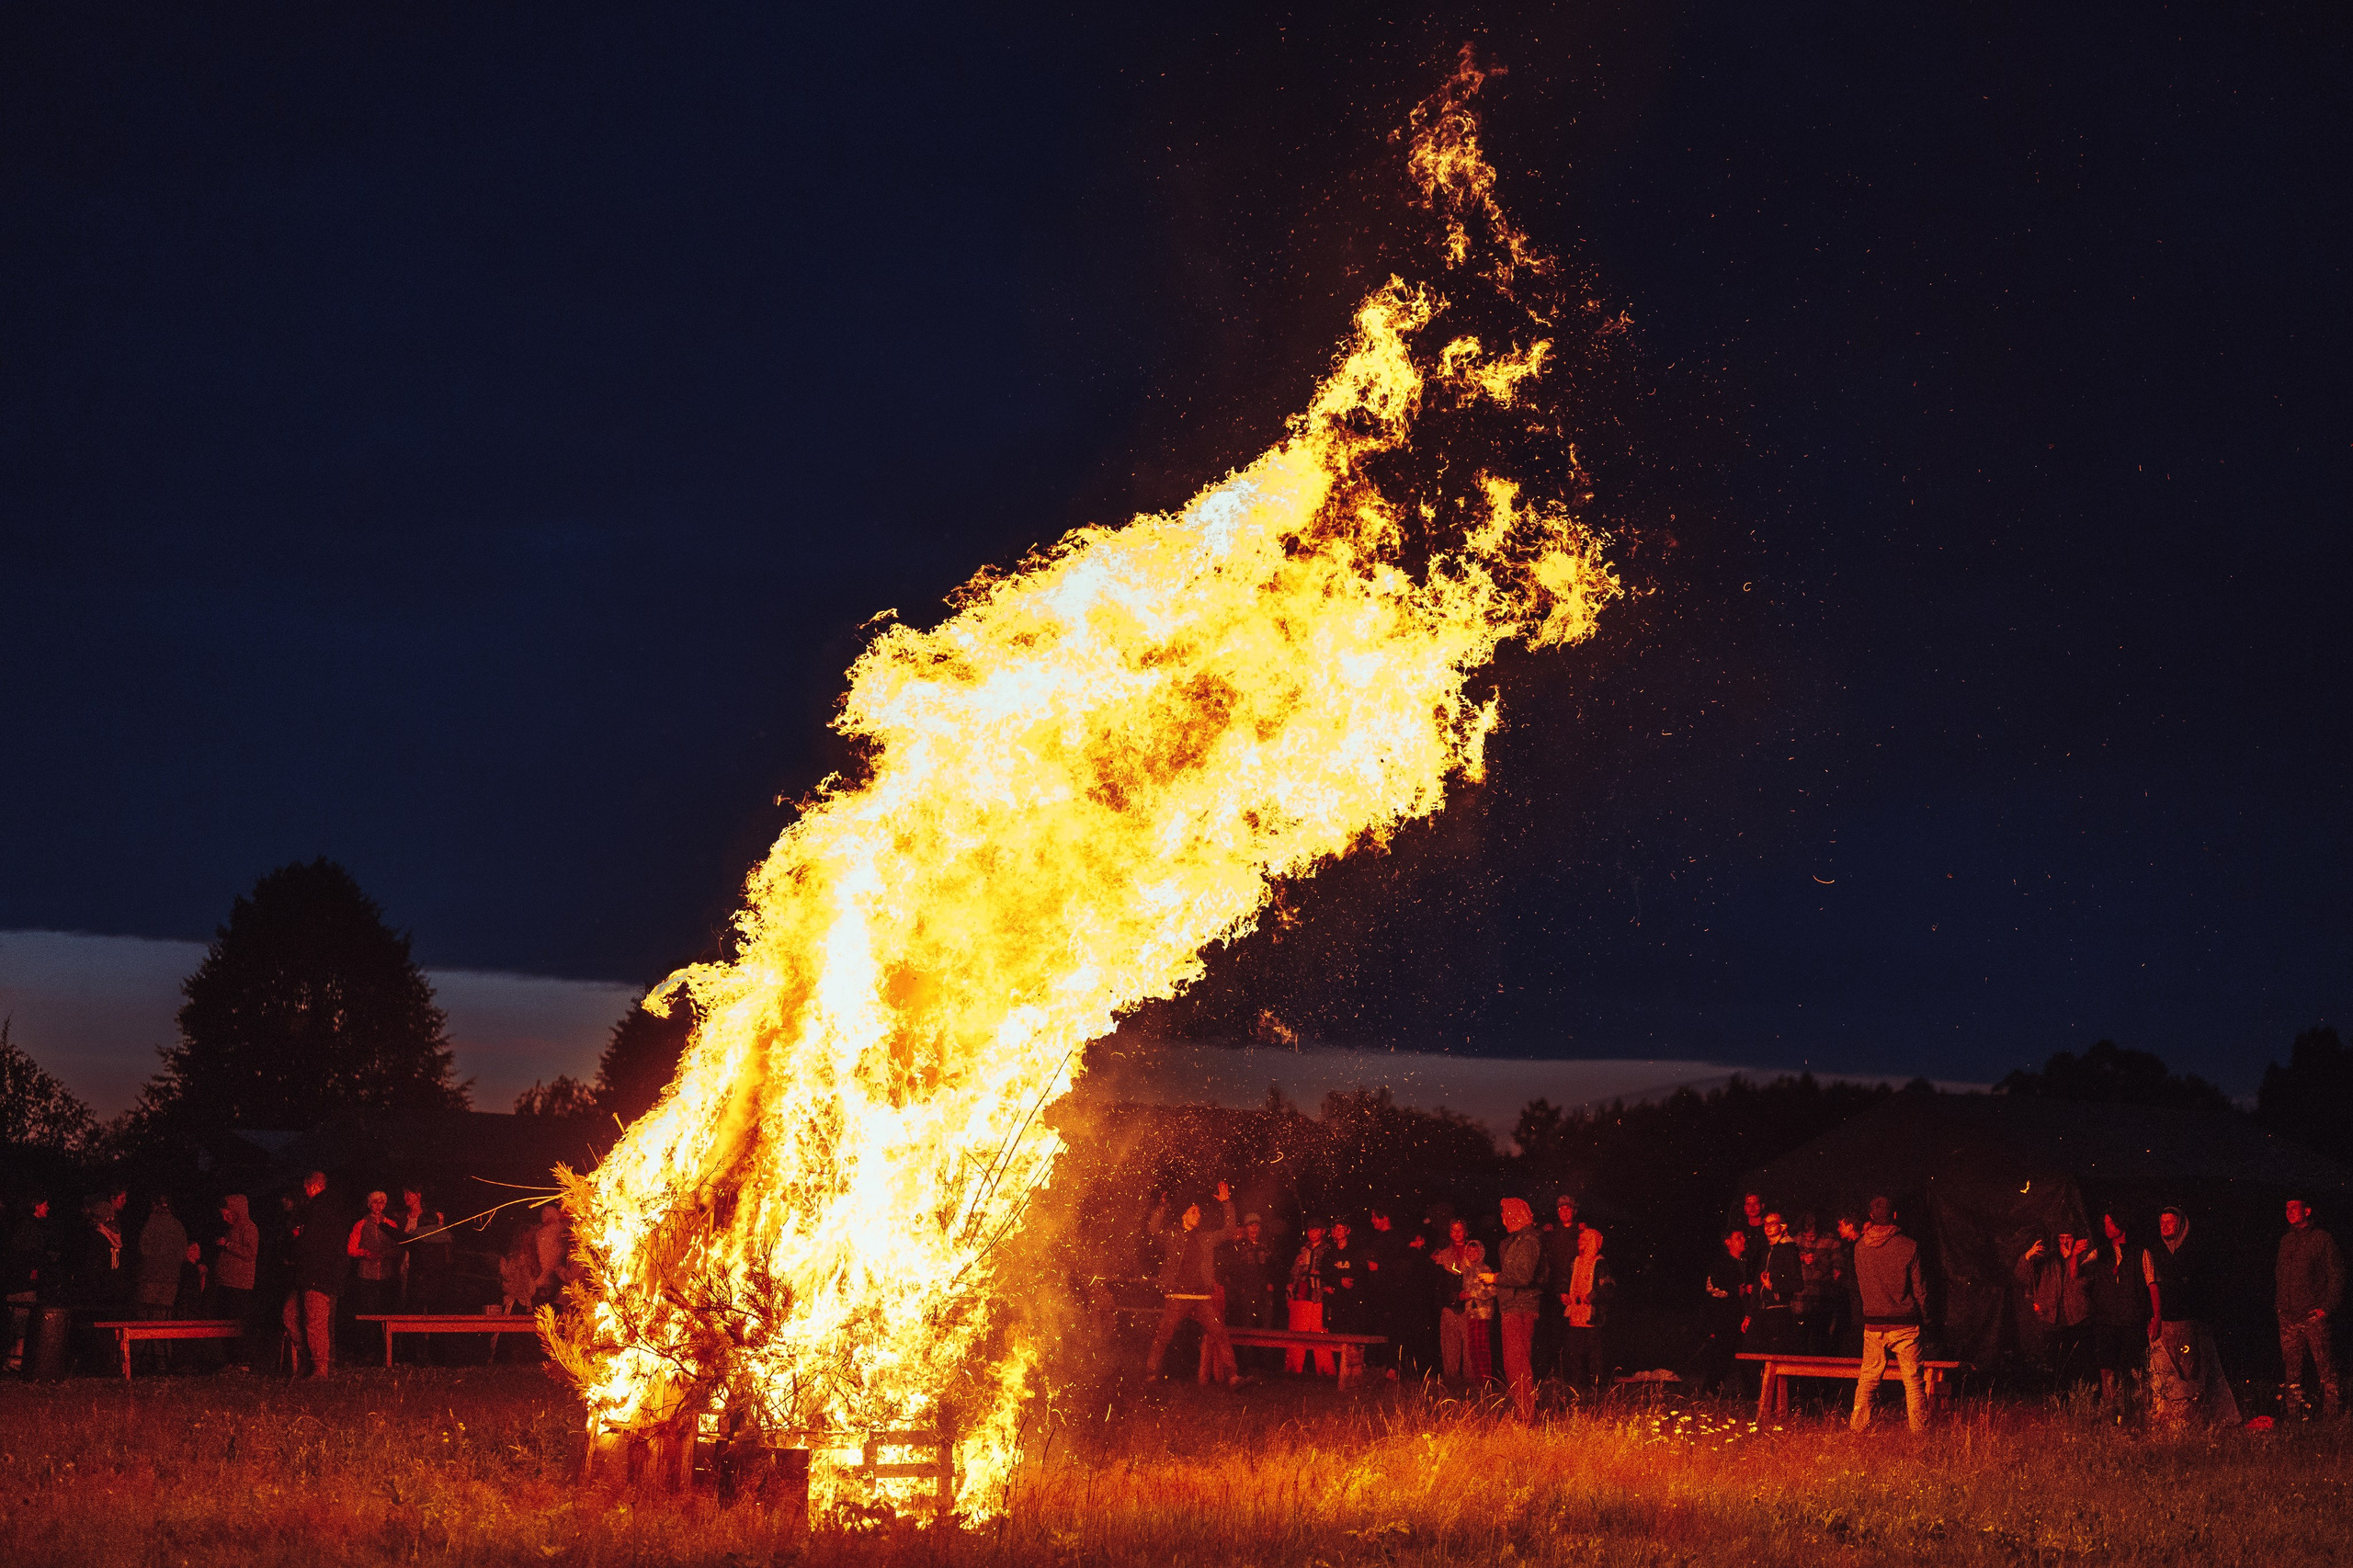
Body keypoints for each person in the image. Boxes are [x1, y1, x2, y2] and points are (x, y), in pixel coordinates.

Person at [2144, 1205, 2237, 1425]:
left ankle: (2194, 1418)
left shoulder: (2195, 1250)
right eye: (2162, 1222)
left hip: (2189, 1322)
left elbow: (2207, 1286)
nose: (2165, 1226)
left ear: (2181, 1225)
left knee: (2191, 1372)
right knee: (2165, 1373)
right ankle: (2168, 1418)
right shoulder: (2155, 1251)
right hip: (2165, 1322)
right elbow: (2151, 1286)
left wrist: (2204, 1318)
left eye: (2170, 1222)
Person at [1143, 1182, 1243, 1386]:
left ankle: (1233, 1376)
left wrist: (1227, 1204)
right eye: (1193, 1211)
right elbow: (1153, 1230)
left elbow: (1228, 1230)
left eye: (1199, 1212)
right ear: (1183, 1216)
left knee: (1220, 1332)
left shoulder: (1206, 1239)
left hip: (1201, 1298)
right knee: (1163, 1335)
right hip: (1177, 1297)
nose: (1198, 1214)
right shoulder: (1173, 1236)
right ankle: (1151, 1374)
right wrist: (1162, 1207)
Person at [1849, 1195, 1928, 1434]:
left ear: (1871, 1217)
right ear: (1895, 1216)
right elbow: (1920, 1289)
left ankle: (1857, 1431)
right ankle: (1919, 1433)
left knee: (1868, 1379)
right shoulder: (1909, 1246)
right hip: (1904, 1323)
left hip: (1873, 1323)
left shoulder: (1860, 1247)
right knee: (1913, 1381)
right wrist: (1925, 1318)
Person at [2276, 1197, 2344, 1419]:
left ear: (2307, 1210)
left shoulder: (2322, 1239)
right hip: (2288, 1316)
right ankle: (2294, 1418)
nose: (2289, 1211)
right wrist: (2280, 1305)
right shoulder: (2286, 1241)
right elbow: (2280, 1275)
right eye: (2287, 1207)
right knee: (2292, 1372)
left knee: (2326, 1370)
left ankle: (2332, 1418)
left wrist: (2327, 1307)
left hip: (2313, 1314)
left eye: (2294, 1207)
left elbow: (2336, 1275)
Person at [2084, 1212, 2150, 1414]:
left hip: (2131, 1318)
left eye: (2111, 1223)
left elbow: (2151, 1285)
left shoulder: (2138, 1252)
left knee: (2133, 1368)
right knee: (2106, 1367)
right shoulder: (2100, 1253)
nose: (2107, 1227)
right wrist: (2073, 1256)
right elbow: (2077, 1273)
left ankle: (2136, 1410)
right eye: (2105, 1224)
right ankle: (2110, 1410)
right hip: (2106, 1318)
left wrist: (2153, 1316)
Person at [283, 1171, 346, 1380]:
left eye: (306, 1188)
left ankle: (320, 1369)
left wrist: (295, 1243)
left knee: (315, 1321)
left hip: (318, 1274)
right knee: (291, 1315)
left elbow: (312, 1241)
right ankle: (308, 1361)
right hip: (309, 1274)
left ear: (313, 1186)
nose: (305, 1192)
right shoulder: (321, 1209)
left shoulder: (320, 1209)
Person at [2015, 1226, 2092, 1378]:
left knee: (2078, 1366)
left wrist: (2072, 1257)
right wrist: (2028, 1256)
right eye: (2061, 1238)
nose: (2064, 1242)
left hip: (2077, 1319)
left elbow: (2082, 1283)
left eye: (2068, 1237)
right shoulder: (2049, 1260)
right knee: (2056, 1366)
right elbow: (2022, 1277)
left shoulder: (2083, 1257)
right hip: (2052, 1318)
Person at [1495, 1198, 1543, 1420]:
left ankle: (1526, 1416)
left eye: (1506, 1213)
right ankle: (1524, 1411)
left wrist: (1494, 1278)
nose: (1503, 1217)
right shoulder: (1517, 1240)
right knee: (1514, 1362)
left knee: (1517, 1362)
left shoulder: (1528, 1240)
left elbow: (1523, 1276)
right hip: (1513, 1306)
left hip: (1520, 1307)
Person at [1692, 1228, 1751, 1395]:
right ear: (1728, 1242)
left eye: (1743, 1236)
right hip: (1724, 1316)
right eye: (1738, 1237)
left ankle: (1749, 1390)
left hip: (1744, 1315)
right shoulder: (1721, 1263)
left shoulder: (1747, 1263)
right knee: (1721, 1353)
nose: (1743, 1240)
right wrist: (1734, 1292)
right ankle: (1710, 1388)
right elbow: (1711, 1289)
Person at [1558, 1225, 1615, 1396]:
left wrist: (1593, 1295)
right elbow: (1564, 1280)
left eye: (1586, 1240)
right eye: (1581, 1240)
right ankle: (1575, 1386)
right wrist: (1562, 1294)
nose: (1582, 1243)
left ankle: (1597, 1388)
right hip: (1575, 1315)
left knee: (1594, 1355)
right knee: (1574, 1353)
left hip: (1593, 1318)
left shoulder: (1600, 1263)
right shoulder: (1574, 1262)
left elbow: (1609, 1287)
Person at [1433, 1218, 1491, 1384]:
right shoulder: (1443, 1256)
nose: (1457, 1233)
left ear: (1466, 1232)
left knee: (1470, 1348)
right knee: (1450, 1347)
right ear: (1450, 1233)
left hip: (1469, 1309)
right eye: (1453, 1230)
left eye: (1460, 1230)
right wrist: (1447, 1302)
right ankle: (1451, 1382)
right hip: (1449, 1308)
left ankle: (1470, 1383)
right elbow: (1438, 1285)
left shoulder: (1474, 1251)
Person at [214, 1195, 261, 1372]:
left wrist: (228, 1245)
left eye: (227, 1214)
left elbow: (250, 1253)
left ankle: (243, 1361)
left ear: (236, 1211)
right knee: (225, 1324)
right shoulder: (231, 1229)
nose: (225, 1218)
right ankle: (232, 1360)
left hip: (240, 1286)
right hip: (226, 1284)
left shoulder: (249, 1228)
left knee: (237, 1324)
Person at [1538, 1194, 1581, 1382]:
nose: (1564, 1212)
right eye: (1561, 1209)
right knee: (1554, 1334)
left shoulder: (1581, 1233)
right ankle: (1556, 1372)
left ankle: (1575, 1375)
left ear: (1574, 1211)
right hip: (1554, 1291)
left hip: (1577, 1290)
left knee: (1576, 1335)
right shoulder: (1551, 1233)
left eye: (1568, 1208)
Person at [1286, 1219, 1337, 1377]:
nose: (1313, 1233)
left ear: (1322, 1231)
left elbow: (1331, 1272)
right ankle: (1294, 1369)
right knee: (1297, 1333)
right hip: (1302, 1294)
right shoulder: (1303, 1250)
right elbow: (1294, 1271)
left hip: (1319, 1295)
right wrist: (1291, 1286)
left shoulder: (1329, 1250)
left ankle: (1325, 1370)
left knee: (1320, 1333)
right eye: (1310, 1230)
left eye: (1316, 1230)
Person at [1752, 1211, 1802, 1355]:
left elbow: (1798, 1284)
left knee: (1775, 1354)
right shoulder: (1767, 1250)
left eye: (1773, 1223)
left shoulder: (1788, 1250)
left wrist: (1773, 1286)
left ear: (1782, 1226)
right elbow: (1758, 1282)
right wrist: (1750, 1313)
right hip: (1762, 1310)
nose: (1768, 1227)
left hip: (1779, 1311)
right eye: (1766, 1223)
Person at [347, 1190, 398, 1324]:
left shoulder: (391, 1224)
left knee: (385, 1312)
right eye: (375, 1202)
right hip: (367, 1276)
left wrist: (385, 1254)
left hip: (386, 1274)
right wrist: (365, 1253)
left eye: (382, 1203)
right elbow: (351, 1249)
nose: (378, 1206)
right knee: (368, 1313)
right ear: (369, 1204)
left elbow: (397, 1248)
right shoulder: (361, 1224)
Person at [135, 1194, 188, 1322]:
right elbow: (183, 1251)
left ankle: (145, 1342)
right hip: (171, 1279)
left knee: (144, 1320)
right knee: (163, 1319)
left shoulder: (150, 1223)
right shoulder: (178, 1225)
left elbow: (142, 1248)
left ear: (154, 1205)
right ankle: (162, 1342)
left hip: (150, 1279)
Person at [1795, 1213, 1836, 1356]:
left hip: (1822, 1298)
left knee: (1820, 1340)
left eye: (1813, 1233)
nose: (1810, 1237)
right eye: (1807, 1233)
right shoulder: (1797, 1240)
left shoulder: (1830, 1240)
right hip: (1801, 1300)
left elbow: (1838, 1267)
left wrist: (1817, 1261)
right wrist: (1802, 1258)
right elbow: (1789, 1261)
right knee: (1801, 1341)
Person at [1831, 1212, 1864, 1355]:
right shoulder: (1852, 1247)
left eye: (1841, 1226)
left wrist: (1841, 1278)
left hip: (1857, 1305)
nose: (1838, 1229)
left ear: (1850, 1227)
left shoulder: (1857, 1248)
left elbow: (1858, 1279)